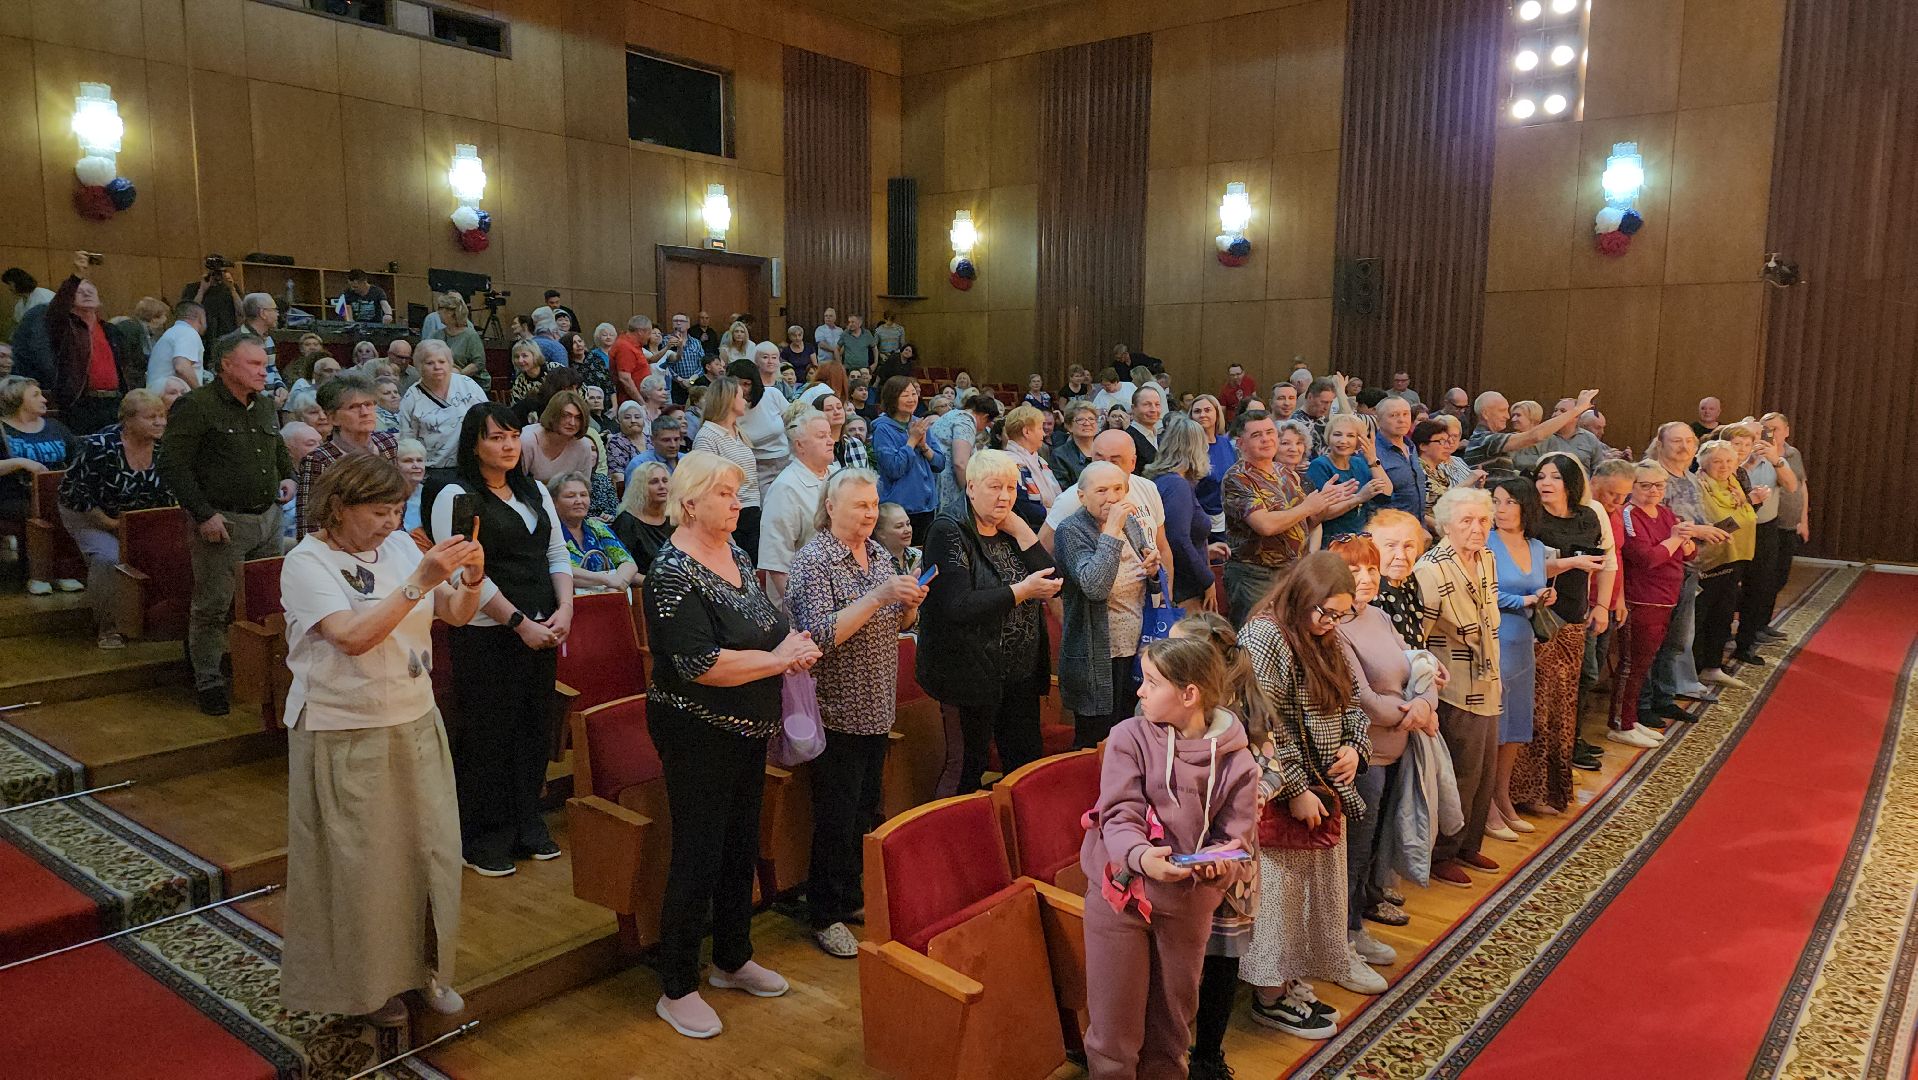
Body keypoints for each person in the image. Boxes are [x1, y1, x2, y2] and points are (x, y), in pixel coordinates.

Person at [278, 454, 486, 1026]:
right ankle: (368, 988)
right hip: (346, 728)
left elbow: (457, 615)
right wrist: (421, 581)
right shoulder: (307, 562)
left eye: (397, 509)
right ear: (338, 507)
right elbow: (351, 638)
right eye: (377, 511)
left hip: (414, 717)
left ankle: (428, 972)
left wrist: (469, 579)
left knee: (430, 854)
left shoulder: (397, 546)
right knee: (365, 870)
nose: (391, 522)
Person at [643, 451, 820, 1039]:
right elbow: (698, 663)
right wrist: (778, 658)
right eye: (723, 493)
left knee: (741, 844)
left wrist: (790, 640)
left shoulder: (734, 551)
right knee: (699, 852)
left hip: (748, 727)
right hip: (696, 730)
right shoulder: (672, 570)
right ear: (689, 502)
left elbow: (762, 622)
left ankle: (731, 958)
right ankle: (677, 985)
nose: (736, 501)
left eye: (737, 491)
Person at [1080, 632, 1257, 1080]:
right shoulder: (1128, 737)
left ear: (1188, 694)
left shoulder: (1238, 761)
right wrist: (1141, 857)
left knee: (1172, 1029)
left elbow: (1237, 839)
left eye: (1151, 682)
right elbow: (1117, 816)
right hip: (1121, 897)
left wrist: (1221, 862)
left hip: (1187, 906)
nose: (1139, 690)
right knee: (1114, 1033)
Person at [1240, 552, 1385, 1037]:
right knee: (1279, 896)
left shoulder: (1326, 635)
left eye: (1341, 615)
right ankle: (1267, 994)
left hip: (1329, 783)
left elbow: (1352, 705)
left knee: (1307, 895)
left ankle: (1287, 979)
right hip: (1284, 789)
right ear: (1302, 596)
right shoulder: (1264, 637)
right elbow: (1266, 724)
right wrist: (1298, 790)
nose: (1331, 624)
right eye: (1325, 612)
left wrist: (1354, 748)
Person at [787, 468, 927, 958]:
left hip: (876, 706)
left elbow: (897, 622)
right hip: (834, 710)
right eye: (858, 505)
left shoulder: (881, 557)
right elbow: (819, 637)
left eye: (873, 505)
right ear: (831, 507)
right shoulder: (813, 562)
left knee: (863, 811)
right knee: (834, 817)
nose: (869, 514)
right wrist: (879, 596)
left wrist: (909, 605)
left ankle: (848, 898)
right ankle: (824, 913)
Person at [430, 404, 573, 877]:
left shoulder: (531, 487)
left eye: (512, 436)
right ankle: (482, 836)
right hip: (486, 633)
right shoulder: (454, 492)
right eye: (495, 438)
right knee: (488, 736)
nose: (507, 446)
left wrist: (566, 606)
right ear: (474, 443)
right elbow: (467, 569)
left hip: (542, 625)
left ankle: (525, 823)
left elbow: (556, 551)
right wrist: (518, 622)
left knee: (533, 730)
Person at [158, 333, 297, 715]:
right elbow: (172, 464)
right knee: (214, 604)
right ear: (226, 365)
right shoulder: (197, 406)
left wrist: (287, 475)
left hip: (267, 517)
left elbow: (277, 449)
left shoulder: (266, 405)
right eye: (254, 365)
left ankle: (259, 672)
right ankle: (208, 679)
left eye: (264, 365)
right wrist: (203, 514)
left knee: (265, 599)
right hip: (223, 520)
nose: (263, 372)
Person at [918, 449, 1060, 795]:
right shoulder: (948, 531)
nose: (1005, 496)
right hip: (969, 674)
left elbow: (1054, 582)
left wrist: (1023, 530)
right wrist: (1023, 591)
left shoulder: (1009, 525)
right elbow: (958, 604)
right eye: (995, 487)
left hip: (1018, 676)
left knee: (1024, 764)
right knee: (969, 766)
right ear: (970, 488)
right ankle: (950, 839)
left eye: (1011, 488)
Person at [1326, 533, 1437, 959]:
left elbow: (1421, 664)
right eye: (1355, 570)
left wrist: (1424, 704)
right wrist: (1416, 713)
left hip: (1398, 747)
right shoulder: (1337, 628)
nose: (1368, 577)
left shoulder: (1379, 616)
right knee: (1355, 849)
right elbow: (1363, 701)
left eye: (1372, 568)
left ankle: (1359, 922)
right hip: (1364, 753)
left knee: (1376, 848)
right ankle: (1345, 936)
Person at [1413, 487, 1504, 888]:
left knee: (1485, 770)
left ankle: (1469, 843)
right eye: (1466, 520)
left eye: (1483, 520)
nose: (1476, 528)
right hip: (1453, 687)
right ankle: (1442, 853)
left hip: (1488, 681)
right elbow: (1419, 637)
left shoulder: (1487, 557)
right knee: (1460, 772)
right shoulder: (1430, 569)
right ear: (1446, 523)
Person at [1516, 452, 1610, 800]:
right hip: (1538, 613)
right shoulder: (1532, 519)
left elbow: (1601, 558)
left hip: (1573, 610)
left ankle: (1555, 783)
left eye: (1554, 477)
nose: (1545, 483)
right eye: (1541, 477)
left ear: (1570, 483)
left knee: (1565, 700)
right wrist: (1571, 562)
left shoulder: (1588, 516)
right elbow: (1525, 568)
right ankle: (1528, 787)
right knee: (1537, 701)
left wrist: (1601, 602)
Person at [1057, 462, 1160, 749]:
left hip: (1136, 645)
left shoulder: (1131, 521)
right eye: (1101, 490)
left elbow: (1148, 581)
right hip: (1096, 655)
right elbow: (1094, 586)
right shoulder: (1070, 530)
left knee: (1130, 733)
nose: (1112, 498)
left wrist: (1152, 571)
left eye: (1118, 489)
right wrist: (1111, 530)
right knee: (1096, 741)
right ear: (1081, 496)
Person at [55, 389, 173, 639]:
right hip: (89, 513)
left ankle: (157, 623)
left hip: (138, 518)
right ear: (127, 421)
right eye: (151, 417)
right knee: (108, 558)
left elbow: (170, 492)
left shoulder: (166, 445)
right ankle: (108, 627)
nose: (160, 422)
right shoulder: (99, 446)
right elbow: (77, 493)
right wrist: (110, 524)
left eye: (162, 415)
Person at [1645, 423, 1732, 719]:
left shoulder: (1692, 477)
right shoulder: (1653, 477)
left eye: (1689, 441)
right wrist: (1699, 530)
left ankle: (1665, 696)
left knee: (1678, 639)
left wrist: (1710, 533)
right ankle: (1646, 704)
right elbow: (1651, 520)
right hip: (1661, 571)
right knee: (1655, 640)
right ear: (1660, 442)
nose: (1684, 447)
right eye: (1676, 441)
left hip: (1690, 567)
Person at [1220, 412, 1340, 625]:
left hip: (1291, 572)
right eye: (1257, 435)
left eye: (1270, 432)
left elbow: (1306, 522)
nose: (1266, 439)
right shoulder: (1237, 477)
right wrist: (1307, 507)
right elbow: (1265, 525)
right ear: (1240, 443)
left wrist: (1324, 503)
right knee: (1255, 640)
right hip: (1255, 577)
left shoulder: (1284, 470)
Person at [1486, 478, 1552, 839]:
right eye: (1496, 501)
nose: (1501, 508)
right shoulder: (1486, 542)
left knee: (1515, 724)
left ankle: (1503, 795)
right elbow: (1483, 592)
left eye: (1509, 502)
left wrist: (1543, 596)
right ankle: (1488, 805)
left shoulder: (1537, 546)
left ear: (1526, 506)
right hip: (1495, 636)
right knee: (1495, 721)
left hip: (1524, 639)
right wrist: (1522, 601)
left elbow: (1534, 588)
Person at [1611, 461, 1693, 746]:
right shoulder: (1629, 514)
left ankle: (1631, 718)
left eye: (1659, 485)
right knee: (1631, 665)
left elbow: (1684, 555)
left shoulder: (1667, 513)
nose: (1653, 491)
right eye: (1645, 485)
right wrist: (1673, 542)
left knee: (1645, 664)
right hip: (1641, 598)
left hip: (1666, 598)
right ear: (1632, 487)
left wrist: (1686, 544)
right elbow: (1647, 559)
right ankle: (1621, 722)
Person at [0, 376, 84, 591]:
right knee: (40, 511)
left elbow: (79, 457)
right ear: (17, 399)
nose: (44, 399)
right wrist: (20, 462)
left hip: (56, 491)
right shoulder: (3, 430)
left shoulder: (55, 426)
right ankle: (39, 575)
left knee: (70, 506)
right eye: (36, 395)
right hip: (14, 495)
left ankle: (65, 570)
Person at [294, 376, 400, 536]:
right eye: (353, 407)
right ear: (332, 418)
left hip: (388, 539)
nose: (365, 412)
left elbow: (396, 500)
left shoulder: (387, 443)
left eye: (369, 404)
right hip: (339, 547)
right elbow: (308, 524)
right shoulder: (319, 460)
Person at [1729, 421, 1797, 664]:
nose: (1753, 442)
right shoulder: (1729, 460)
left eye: (1758, 436)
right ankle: (1721, 637)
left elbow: (1792, 486)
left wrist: (1776, 460)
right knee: (1729, 585)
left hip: (1765, 529)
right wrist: (1744, 464)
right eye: (1747, 438)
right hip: (1735, 530)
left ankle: (1745, 644)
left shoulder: (1775, 459)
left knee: (1759, 587)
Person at [43, 253, 132, 434]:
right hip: (81, 402)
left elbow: (128, 366)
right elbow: (57, 308)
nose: (87, 292)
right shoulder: (64, 327)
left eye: (91, 290)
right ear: (70, 298)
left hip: (115, 402)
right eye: (80, 291)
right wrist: (76, 276)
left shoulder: (111, 330)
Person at [1693, 439, 1757, 689]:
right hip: (1707, 561)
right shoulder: (1699, 486)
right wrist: (1739, 519)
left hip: (1735, 557)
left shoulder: (1733, 485)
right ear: (1704, 463)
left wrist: (1739, 519)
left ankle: (1713, 665)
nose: (1724, 466)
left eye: (1729, 461)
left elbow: (1746, 516)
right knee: (1702, 616)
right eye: (1717, 461)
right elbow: (1718, 524)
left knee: (1723, 614)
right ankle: (1696, 668)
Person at [758, 408, 834, 605]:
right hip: (805, 602)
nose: (830, 441)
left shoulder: (837, 475)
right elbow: (776, 562)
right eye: (821, 436)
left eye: (829, 434)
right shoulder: (784, 488)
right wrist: (800, 609)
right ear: (800, 445)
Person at [688, 376, 764, 560]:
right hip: (729, 519)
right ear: (729, 399)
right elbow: (706, 488)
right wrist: (726, 535)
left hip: (751, 513)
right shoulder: (707, 437)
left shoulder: (739, 434)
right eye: (741, 396)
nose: (745, 401)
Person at [1147, 415, 1217, 611]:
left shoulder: (1165, 480)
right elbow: (1178, 540)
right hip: (1184, 590)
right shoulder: (1176, 484)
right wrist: (1207, 580)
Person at [397, 341, 489, 481]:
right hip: (432, 472)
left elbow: (488, 419)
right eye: (430, 363)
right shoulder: (412, 397)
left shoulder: (468, 385)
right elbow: (407, 441)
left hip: (472, 467)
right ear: (419, 366)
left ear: (450, 363)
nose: (437, 367)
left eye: (442, 361)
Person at [1752, 412, 1808, 640]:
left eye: (1775, 428)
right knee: (1763, 578)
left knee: (1780, 577)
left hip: (1789, 523)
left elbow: (1802, 486)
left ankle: (1763, 622)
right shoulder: (1759, 454)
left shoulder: (1793, 454)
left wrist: (1803, 519)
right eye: (1766, 428)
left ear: (1786, 431)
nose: (1771, 433)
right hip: (1768, 522)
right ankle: (1753, 625)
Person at [1461, 388, 1598, 481]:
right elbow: (1536, 435)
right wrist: (1578, 409)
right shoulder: (1485, 440)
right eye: (1502, 411)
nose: (1507, 416)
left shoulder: (1488, 439)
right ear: (1486, 414)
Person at [870, 376, 944, 544]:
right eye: (905, 395)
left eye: (914, 394)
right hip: (899, 507)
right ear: (892, 398)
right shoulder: (883, 429)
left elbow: (940, 463)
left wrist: (924, 447)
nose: (911, 399)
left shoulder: (919, 423)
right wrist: (911, 441)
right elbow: (894, 469)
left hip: (926, 506)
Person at [1307, 413, 1391, 541]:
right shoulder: (1319, 465)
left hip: (1361, 539)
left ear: (1359, 441)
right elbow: (1319, 514)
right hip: (1333, 540)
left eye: (1350, 436)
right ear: (1328, 437)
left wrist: (1372, 459)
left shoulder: (1359, 462)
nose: (1343, 440)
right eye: (1337, 434)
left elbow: (1386, 492)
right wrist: (1358, 498)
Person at [550, 473, 637, 592]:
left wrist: (615, 585)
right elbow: (560, 570)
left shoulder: (597, 527)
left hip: (609, 595)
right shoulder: (550, 532)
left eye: (583, 495)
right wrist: (606, 579)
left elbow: (628, 562)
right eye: (570, 496)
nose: (579, 501)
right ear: (554, 502)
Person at [932, 391, 1001, 517]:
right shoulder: (966, 421)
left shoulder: (953, 414)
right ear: (985, 417)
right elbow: (960, 464)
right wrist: (970, 494)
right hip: (945, 483)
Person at [735, 347, 792, 499]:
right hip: (756, 468)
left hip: (786, 461)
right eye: (736, 384)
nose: (741, 389)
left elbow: (793, 423)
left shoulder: (772, 394)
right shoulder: (729, 409)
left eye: (746, 384)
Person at [519, 390, 598, 486]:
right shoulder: (528, 440)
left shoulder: (583, 445)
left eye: (578, 418)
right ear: (553, 415)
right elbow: (517, 484)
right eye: (566, 415)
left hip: (567, 498)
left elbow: (582, 487)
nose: (572, 423)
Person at [613, 460, 675, 573]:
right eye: (654, 482)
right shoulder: (627, 522)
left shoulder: (675, 519)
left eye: (665, 481)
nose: (662, 486)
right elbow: (619, 568)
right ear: (640, 487)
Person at [1187, 394, 1236, 536]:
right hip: (1202, 522)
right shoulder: (1188, 448)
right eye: (1197, 411)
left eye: (1208, 410)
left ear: (1217, 413)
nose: (1202, 415)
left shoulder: (1225, 443)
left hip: (1228, 518)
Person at [1002, 404, 1063, 512]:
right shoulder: (1010, 464)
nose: (1044, 434)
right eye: (1040, 428)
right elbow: (1024, 509)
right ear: (1026, 432)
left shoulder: (1040, 461)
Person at [146, 302, 207, 393]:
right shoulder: (187, 333)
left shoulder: (172, 332)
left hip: (158, 395)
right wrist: (200, 393)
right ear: (201, 318)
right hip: (171, 397)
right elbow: (182, 367)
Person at [436, 294, 489, 391]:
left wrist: (457, 377)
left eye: (440, 308)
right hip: (443, 385)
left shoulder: (470, 335)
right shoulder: (437, 335)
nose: (437, 312)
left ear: (451, 312)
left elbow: (479, 363)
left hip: (470, 386)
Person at [1053, 401, 1100, 487]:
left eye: (1091, 419)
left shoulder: (1105, 449)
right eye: (1080, 420)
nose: (1087, 423)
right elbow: (1064, 490)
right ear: (1069, 426)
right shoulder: (1060, 455)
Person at [876, 501, 920, 576]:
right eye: (899, 526)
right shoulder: (873, 563)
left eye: (908, 524)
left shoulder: (917, 556)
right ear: (881, 533)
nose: (907, 530)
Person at [1126, 385, 1165, 469]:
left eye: (1157, 404)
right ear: (1133, 408)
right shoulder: (1127, 439)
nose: (1153, 410)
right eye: (1147, 404)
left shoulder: (1161, 439)